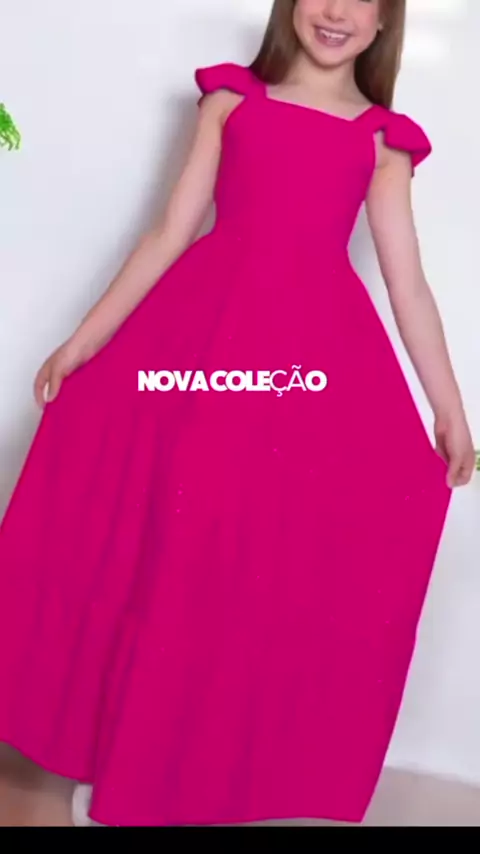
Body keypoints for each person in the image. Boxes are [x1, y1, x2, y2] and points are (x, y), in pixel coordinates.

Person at [0, 0, 475, 829]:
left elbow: (409, 286)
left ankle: (187, 770)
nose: (336, 12)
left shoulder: (381, 142)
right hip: (198, 347)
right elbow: (168, 232)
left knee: (241, 558)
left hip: (309, 373)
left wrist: (450, 410)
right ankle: (107, 752)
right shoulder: (232, 100)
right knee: (163, 540)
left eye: (360, 0)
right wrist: (82, 343)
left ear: (384, 22)